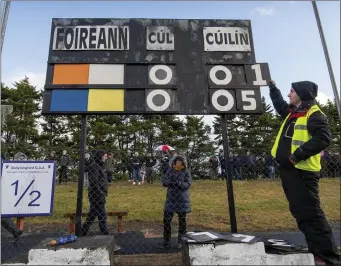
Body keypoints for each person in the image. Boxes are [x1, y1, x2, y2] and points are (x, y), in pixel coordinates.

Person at [268, 80, 340, 265]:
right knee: (300, 212)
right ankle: (316, 251)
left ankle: (327, 256)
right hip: (290, 171)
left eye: (291, 91)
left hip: (302, 171)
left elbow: (323, 138)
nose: (288, 94)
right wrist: (273, 88)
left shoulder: (314, 114)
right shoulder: (293, 112)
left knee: (312, 214)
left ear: (302, 93)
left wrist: (296, 156)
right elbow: (279, 106)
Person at [160, 155, 192, 249]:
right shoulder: (170, 170)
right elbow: (164, 181)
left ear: (183, 163)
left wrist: (180, 184)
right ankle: (166, 241)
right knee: (166, 220)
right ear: (174, 163)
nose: (177, 164)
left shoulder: (186, 171)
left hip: (182, 200)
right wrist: (170, 183)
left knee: (182, 222)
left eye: (179, 162)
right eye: (176, 162)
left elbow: (188, 184)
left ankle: (181, 241)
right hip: (171, 199)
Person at [81, 150, 109, 236]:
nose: (105, 157)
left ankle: (82, 231)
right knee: (102, 217)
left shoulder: (97, 166)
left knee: (92, 216)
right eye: (104, 156)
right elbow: (93, 181)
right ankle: (105, 235)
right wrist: (100, 193)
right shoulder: (94, 166)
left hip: (97, 195)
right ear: (100, 156)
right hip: (97, 196)